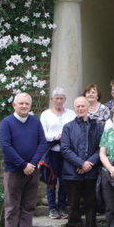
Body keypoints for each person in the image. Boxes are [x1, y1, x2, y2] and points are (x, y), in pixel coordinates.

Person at [0, 92, 47, 227]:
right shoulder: (7, 123)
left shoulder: (35, 122)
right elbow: (6, 146)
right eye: (21, 103)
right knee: (12, 208)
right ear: (14, 105)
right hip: (14, 172)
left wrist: (31, 164)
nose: (24, 106)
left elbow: (42, 143)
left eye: (27, 104)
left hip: (32, 171)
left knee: (28, 206)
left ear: (30, 106)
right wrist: (23, 164)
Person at [62, 96, 103, 227]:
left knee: (91, 205)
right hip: (72, 173)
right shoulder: (68, 127)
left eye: (83, 106)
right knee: (73, 206)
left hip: (91, 173)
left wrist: (89, 163)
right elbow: (65, 149)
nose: (80, 109)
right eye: (77, 106)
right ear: (75, 108)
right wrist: (80, 164)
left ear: (88, 107)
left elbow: (101, 148)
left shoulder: (97, 126)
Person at [40, 87, 76, 219]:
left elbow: (74, 131)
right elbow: (43, 134)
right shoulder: (45, 115)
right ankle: (52, 208)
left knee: (64, 180)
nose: (59, 101)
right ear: (52, 99)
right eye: (57, 98)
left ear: (65, 99)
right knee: (51, 180)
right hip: (52, 152)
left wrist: (66, 137)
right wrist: (57, 136)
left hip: (66, 152)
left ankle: (62, 207)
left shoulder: (71, 114)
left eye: (62, 98)